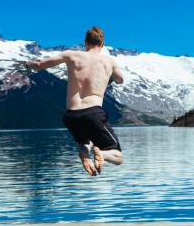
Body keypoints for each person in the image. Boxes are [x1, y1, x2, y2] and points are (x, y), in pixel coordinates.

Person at [27, 26, 124, 176]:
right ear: (103, 44)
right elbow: (121, 80)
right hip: (93, 113)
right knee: (118, 157)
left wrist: (30, 65)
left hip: (71, 116)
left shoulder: (71, 55)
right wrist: (109, 78)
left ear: (85, 42)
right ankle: (102, 154)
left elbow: (40, 66)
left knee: (85, 142)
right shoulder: (109, 62)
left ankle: (85, 155)